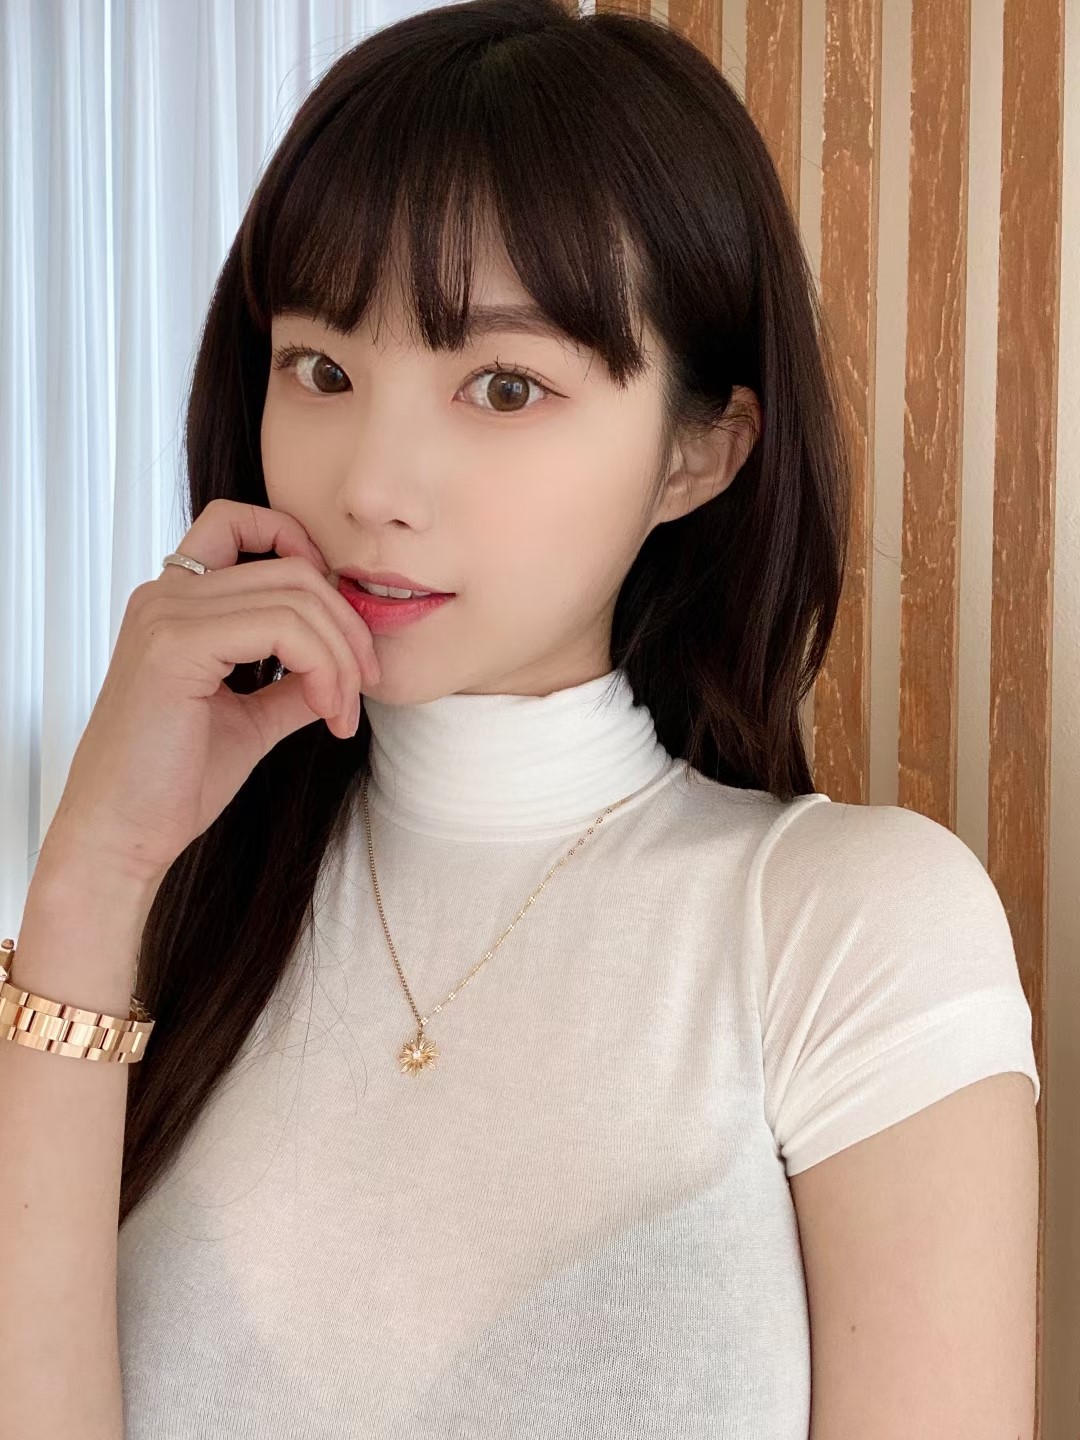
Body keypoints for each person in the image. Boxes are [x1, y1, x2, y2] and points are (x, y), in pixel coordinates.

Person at [2, 0, 1039, 1435]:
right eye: (321, 369)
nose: (373, 484)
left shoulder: (843, 928)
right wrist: (91, 876)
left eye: (503, 386)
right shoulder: (154, 922)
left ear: (697, 454)